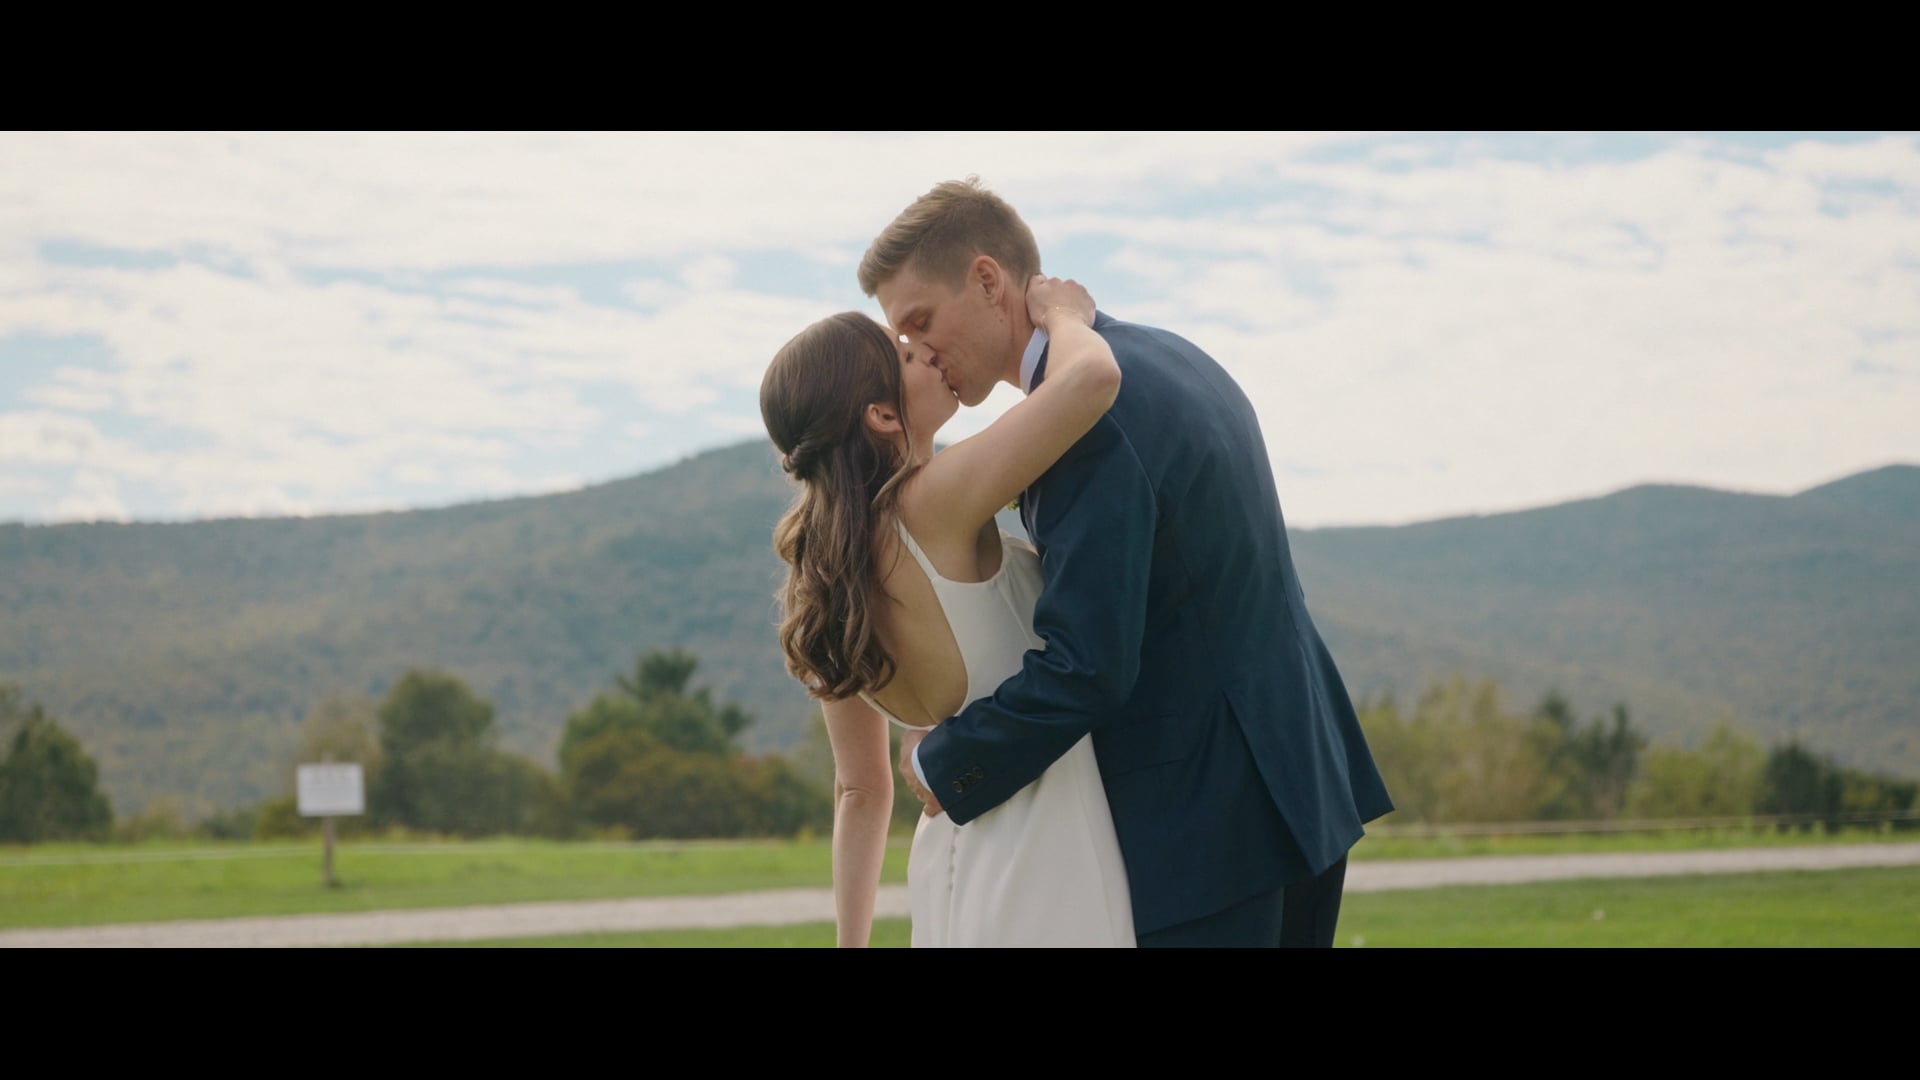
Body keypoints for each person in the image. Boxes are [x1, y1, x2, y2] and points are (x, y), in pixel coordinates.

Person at [861, 177, 1395, 948]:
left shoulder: (1086, 424)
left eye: (920, 321)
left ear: (986, 280)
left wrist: (947, 761)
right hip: (1300, 787)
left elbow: (1087, 667)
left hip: (1204, 830)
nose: (919, 350)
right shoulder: (1173, 354)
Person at [761, 276, 1136, 947]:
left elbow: (859, 791)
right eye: (907, 354)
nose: (929, 351)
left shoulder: (828, 580)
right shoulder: (933, 501)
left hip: (949, 878)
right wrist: (1065, 317)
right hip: (1043, 865)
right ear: (882, 415)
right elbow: (1092, 380)